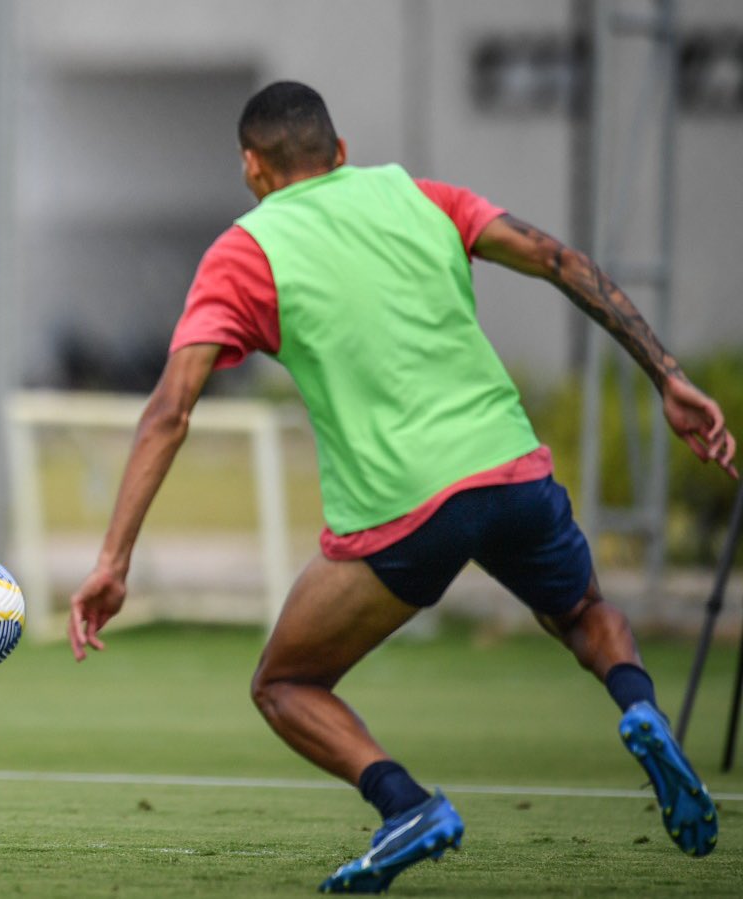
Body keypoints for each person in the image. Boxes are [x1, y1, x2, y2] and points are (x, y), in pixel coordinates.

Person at [67, 81, 734, 893]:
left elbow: (170, 410)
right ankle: (639, 708)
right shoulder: (421, 197)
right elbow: (561, 260)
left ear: (252, 167)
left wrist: (113, 558)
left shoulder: (245, 250)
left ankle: (406, 804)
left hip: (405, 511)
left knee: (284, 682)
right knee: (585, 611)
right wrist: (668, 375)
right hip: (513, 468)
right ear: (340, 151)